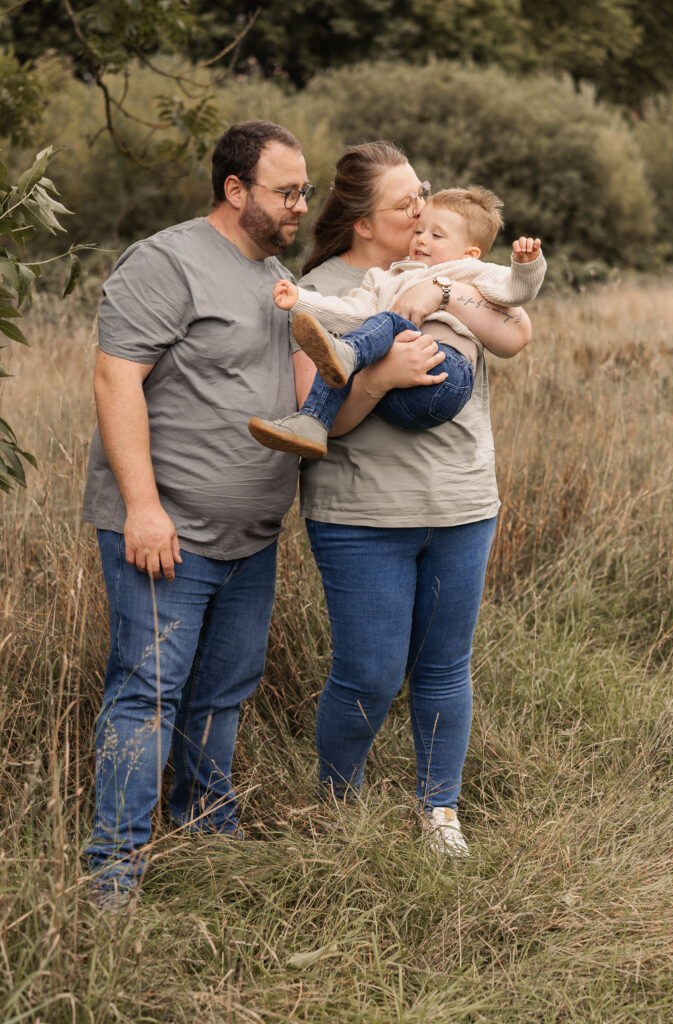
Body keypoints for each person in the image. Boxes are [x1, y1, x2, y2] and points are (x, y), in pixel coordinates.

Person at [81, 119, 318, 906]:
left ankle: (206, 824)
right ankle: (114, 870)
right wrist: (144, 509)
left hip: (250, 536)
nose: (300, 205)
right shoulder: (167, 261)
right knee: (146, 694)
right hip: (166, 534)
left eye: (305, 192)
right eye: (287, 192)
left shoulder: (276, 276)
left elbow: (299, 396)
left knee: (223, 691)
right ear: (234, 189)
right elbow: (117, 383)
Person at [287, 141, 532, 856]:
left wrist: (451, 289)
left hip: (460, 504)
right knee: (367, 672)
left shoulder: (451, 267)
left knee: (443, 667)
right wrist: (380, 375)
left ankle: (440, 813)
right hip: (361, 513)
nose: (423, 209)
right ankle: (339, 806)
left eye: (422, 194)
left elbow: (517, 329)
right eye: (406, 203)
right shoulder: (324, 291)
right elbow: (316, 420)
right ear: (363, 222)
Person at [249, 186, 544, 457]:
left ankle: (347, 355)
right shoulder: (386, 278)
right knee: (353, 352)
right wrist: (299, 300)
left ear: (470, 253)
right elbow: (351, 312)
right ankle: (312, 423)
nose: (422, 238)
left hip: (447, 376)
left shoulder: (469, 270)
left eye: (436, 235)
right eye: (419, 230)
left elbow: (515, 291)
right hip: (400, 400)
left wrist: (527, 264)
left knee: (382, 325)